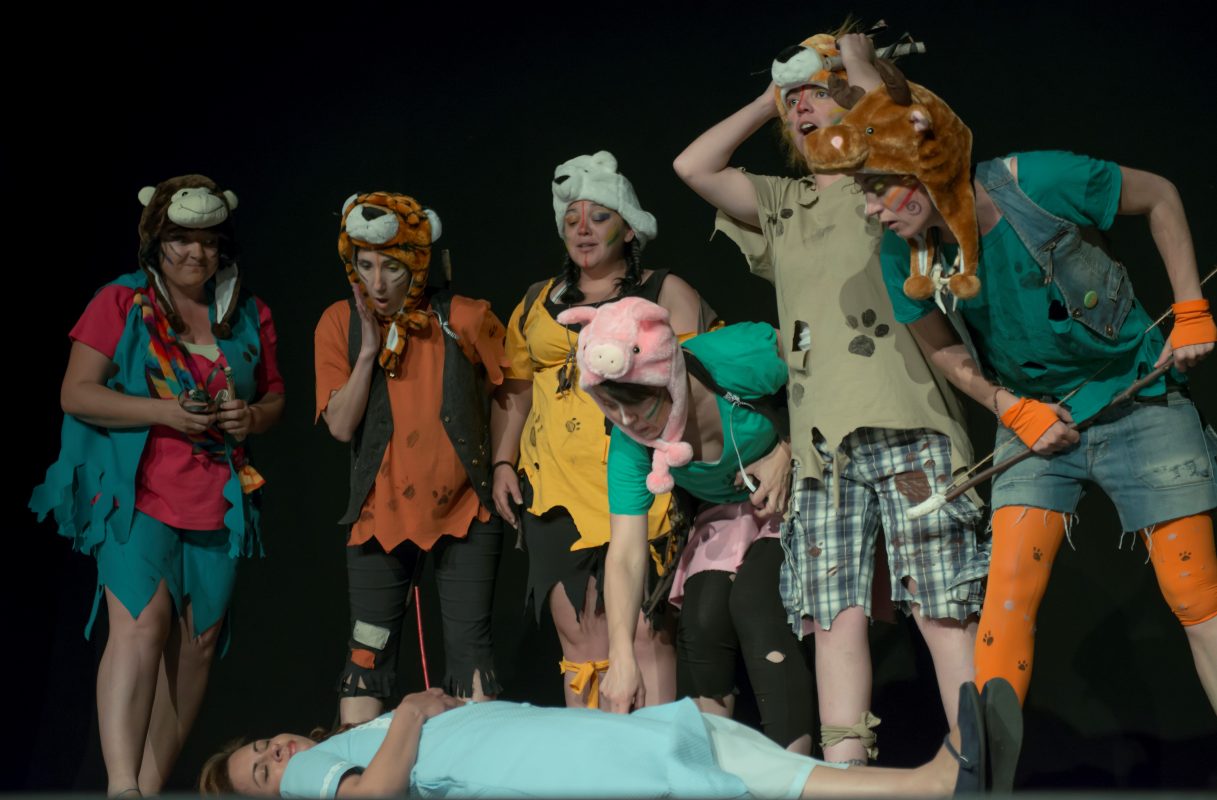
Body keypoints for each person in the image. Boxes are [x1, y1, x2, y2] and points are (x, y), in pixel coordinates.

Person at [801, 61, 1217, 711]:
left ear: (926, 165)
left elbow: (1159, 195)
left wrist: (1189, 309)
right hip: (1034, 416)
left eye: (878, 188)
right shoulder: (904, 253)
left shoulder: (1039, 182)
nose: (870, 209)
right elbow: (938, 345)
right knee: (1007, 599)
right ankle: (984, 761)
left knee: (1195, 593)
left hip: (1138, 395)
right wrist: (1006, 405)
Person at [672, 28, 985, 762]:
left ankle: (977, 765)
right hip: (821, 450)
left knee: (942, 608)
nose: (802, 108)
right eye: (795, 104)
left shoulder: (892, 181)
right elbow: (692, 165)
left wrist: (858, 70)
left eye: (817, 95)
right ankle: (846, 774)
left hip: (911, 425)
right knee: (831, 614)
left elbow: (913, 129)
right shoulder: (784, 203)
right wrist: (770, 95)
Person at [30, 174, 285, 796]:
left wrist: (249, 417)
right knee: (142, 626)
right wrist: (164, 412)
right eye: (181, 240)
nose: (196, 253)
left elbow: (274, 397)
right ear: (155, 242)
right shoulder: (122, 301)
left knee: (198, 644)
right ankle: (121, 785)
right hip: (137, 494)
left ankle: (146, 785)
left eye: (209, 241)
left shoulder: (246, 312)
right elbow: (76, 393)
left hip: (217, 499)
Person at [490, 151, 712, 708]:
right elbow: (516, 390)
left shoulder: (664, 292)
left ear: (629, 228)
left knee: (643, 632)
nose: (583, 229)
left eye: (599, 216)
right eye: (572, 219)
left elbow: (705, 383)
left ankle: (657, 755)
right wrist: (502, 461)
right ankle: (594, 755)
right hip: (558, 487)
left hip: (637, 479)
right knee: (579, 632)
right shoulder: (536, 301)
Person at [558, 297, 813, 750]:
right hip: (730, 514)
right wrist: (621, 655)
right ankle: (706, 769)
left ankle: (795, 772)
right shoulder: (630, 443)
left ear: (668, 377)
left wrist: (789, 449)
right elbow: (626, 553)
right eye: (613, 408)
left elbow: (826, 370)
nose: (630, 423)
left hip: (803, 488)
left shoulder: (736, 356)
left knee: (757, 602)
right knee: (703, 617)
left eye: (642, 407)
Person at [315, 191, 509, 726]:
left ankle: (478, 765)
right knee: (367, 652)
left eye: (392, 268)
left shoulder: (465, 317)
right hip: (379, 517)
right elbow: (340, 425)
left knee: (471, 655)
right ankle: (355, 768)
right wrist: (367, 353)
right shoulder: (339, 322)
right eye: (365, 266)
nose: (377, 283)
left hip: (464, 512)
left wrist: (501, 464)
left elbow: (514, 386)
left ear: (417, 264)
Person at [199, 680, 1021, 798]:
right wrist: (414, 710)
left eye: (264, 746)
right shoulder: (324, 775)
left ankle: (931, 782)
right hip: (559, 767)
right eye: (261, 774)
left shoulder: (352, 740)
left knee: (743, 758)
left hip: (574, 739)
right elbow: (377, 794)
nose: (276, 757)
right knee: (733, 770)